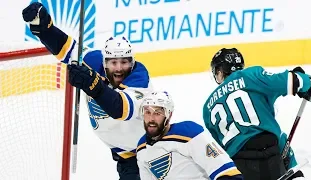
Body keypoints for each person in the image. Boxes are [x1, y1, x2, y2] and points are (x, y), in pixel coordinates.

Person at [22, 2, 153, 179]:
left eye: (125, 62)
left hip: (150, 152)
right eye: (114, 63)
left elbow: (119, 108)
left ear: (132, 62)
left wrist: (93, 85)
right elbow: (66, 48)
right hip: (124, 154)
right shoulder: (93, 61)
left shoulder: (140, 78)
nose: (119, 68)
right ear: (104, 62)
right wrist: (43, 27)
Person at [202, 48, 311, 180]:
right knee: (280, 139)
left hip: (239, 165)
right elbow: (290, 80)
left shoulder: (207, 108)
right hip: (269, 152)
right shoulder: (252, 75)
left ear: (220, 72)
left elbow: (219, 152)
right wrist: (305, 81)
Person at [136, 91, 243, 180]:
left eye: (157, 113)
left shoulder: (189, 133)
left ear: (169, 115)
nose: (151, 119)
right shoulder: (141, 147)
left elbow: (226, 172)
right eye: (147, 112)